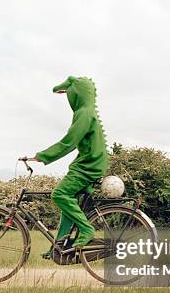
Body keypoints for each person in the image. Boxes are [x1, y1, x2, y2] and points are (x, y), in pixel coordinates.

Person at [27, 76, 109, 257]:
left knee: (59, 194)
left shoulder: (84, 113)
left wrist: (42, 156)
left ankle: (86, 230)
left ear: (77, 94)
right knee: (68, 205)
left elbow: (69, 142)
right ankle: (59, 248)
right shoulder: (86, 112)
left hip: (89, 166)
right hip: (90, 163)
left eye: (69, 93)